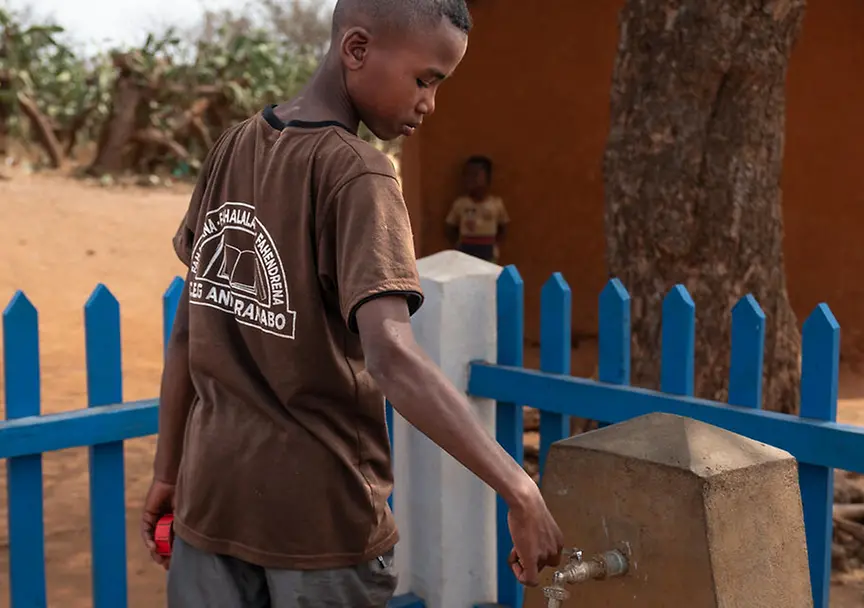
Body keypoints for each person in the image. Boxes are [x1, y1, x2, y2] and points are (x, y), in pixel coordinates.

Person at [140, 1, 563, 606]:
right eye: (425, 79)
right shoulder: (359, 175)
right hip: (322, 529)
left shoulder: (231, 147)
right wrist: (519, 489)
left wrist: (167, 471)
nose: (430, 104)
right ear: (357, 49)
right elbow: (390, 357)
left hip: (210, 507)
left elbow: (187, 333)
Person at [445, 155, 510, 262]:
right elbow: (450, 226)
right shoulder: (461, 204)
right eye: (467, 175)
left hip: (488, 250)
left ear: (488, 178)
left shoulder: (496, 204)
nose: (470, 179)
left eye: (475, 175)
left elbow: (503, 226)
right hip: (466, 249)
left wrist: (495, 243)